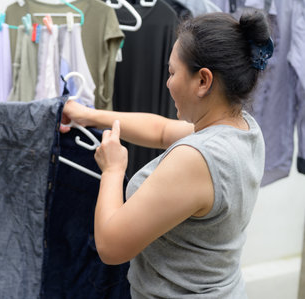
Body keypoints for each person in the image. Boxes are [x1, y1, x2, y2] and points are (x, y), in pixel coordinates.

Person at [60, 8, 273, 298]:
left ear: (203, 81)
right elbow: (160, 130)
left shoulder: (196, 160)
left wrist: (112, 170)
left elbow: (110, 247)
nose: (168, 82)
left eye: (172, 72)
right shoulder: (243, 129)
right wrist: (87, 115)